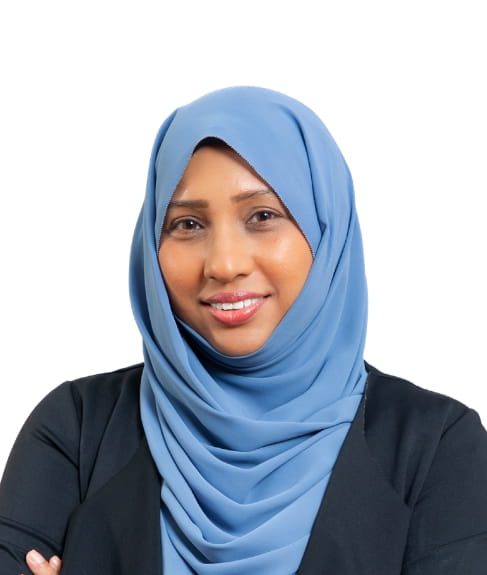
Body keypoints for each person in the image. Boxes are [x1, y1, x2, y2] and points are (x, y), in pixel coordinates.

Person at [1, 87, 486, 575]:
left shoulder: (434, 447)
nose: (224, 264)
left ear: (326, 232)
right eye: (188, 224)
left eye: (262, 216)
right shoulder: (78, 428)